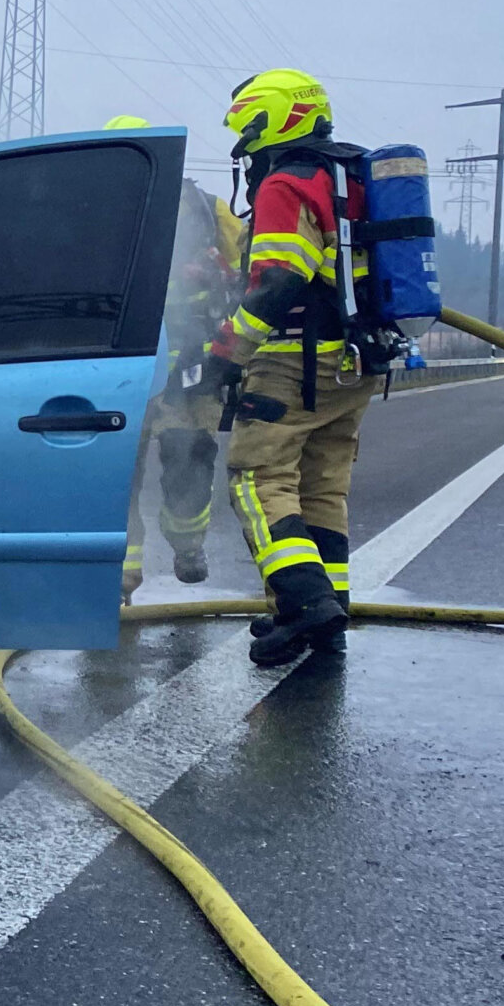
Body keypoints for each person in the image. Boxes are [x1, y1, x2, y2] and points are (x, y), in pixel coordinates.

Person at [198, 69, 372, 667]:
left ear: (274, 120)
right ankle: (331, 618)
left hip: (292, 362)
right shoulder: (348, 177)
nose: (245, 146)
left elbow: (278, 282)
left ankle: (304, 606)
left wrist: (224, 354)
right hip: (353, 363)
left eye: (248, 129)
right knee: (322, 488)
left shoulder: (285, 184)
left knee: (256, 479)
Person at [106, 115, 244, 595]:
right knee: (124, 471)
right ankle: (126, 570)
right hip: (142, 367)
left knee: (181, 462)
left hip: (180, 366)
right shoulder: (109, 212)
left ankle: (182, 550)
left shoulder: (207, 211)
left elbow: (249, 265)